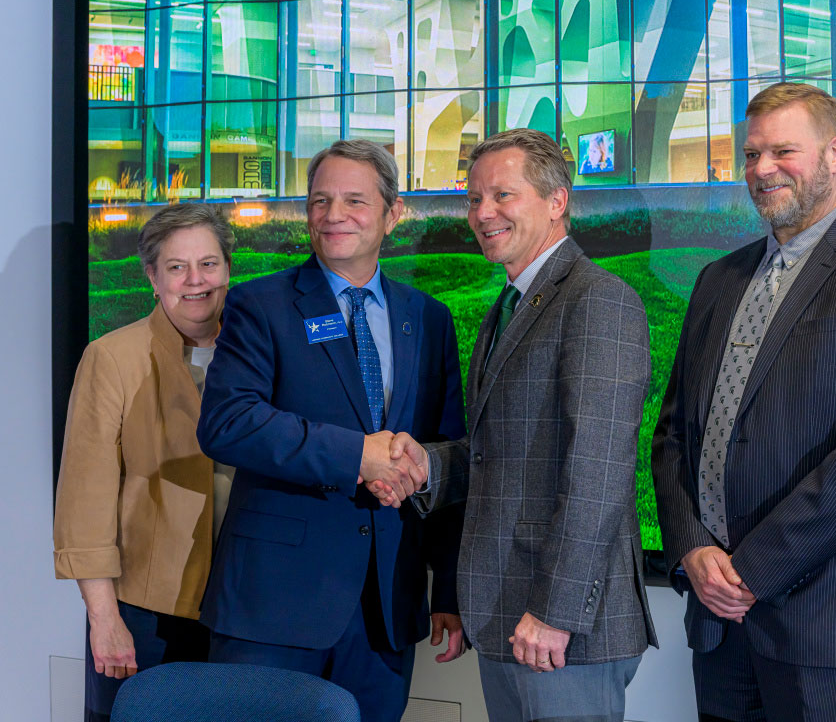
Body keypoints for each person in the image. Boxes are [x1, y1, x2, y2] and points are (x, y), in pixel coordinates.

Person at [651, 82, 836, 721]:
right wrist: (693, 551)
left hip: (828, 631)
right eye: (751, 154)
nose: (761, 170)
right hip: (720, 632)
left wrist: (748, 571)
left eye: (783, 151)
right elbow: (674, 435)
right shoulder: (718, 279)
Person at [380, 128, 658, 722]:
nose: (482, 213)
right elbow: (500, 452)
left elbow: (600, 470)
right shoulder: (511, 304)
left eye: (502, 195)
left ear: (556, 201)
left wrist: (557, 610)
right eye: (475, 198)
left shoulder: (596, 300)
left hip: (559, 626)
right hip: (509, 610)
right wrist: (429, 464)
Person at [195, 140, 466, 722]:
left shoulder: (429, 320)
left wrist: (447, 588)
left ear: (394, 214)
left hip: (385, 611)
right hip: (273, 608)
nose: (334, 214)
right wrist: (355, 456)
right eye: (320, 201)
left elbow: (448, 457)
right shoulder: (259, 305)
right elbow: (226, 423)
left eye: (354, 200)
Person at [53, 203, 236, 722]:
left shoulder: (259, 352)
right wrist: (103, 618)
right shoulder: (111, 357)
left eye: (209, 264)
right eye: (177, 267)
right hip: (145, 611)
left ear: (228, 270)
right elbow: (83, 499)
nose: (195, 281)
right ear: (152, 277)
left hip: (244, 607)